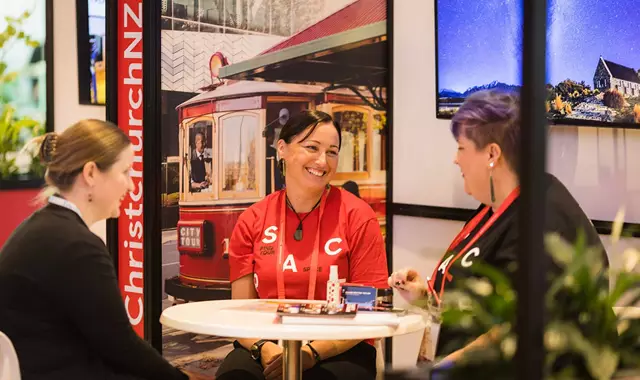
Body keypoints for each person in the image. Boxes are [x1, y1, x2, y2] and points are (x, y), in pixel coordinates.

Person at [388, 90, 607, 363]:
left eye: (461, 147)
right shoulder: (498, 205)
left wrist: (440, 371)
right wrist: (424, 296)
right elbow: (483, 302)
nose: (456, 159)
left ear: (492, 153)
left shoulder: (544, 222)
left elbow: (517, 331)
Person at [0, 120, 210, 380]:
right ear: (90, 173)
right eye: (125, 172)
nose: (132, 186)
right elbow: (121, 348)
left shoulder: (40, 230)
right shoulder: (76, 246)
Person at [216, 110, 389, 380]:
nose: (322, 161)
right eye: (312, 147)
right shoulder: (253, 219)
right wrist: (264, 347)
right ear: (282, 149)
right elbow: (242, 312)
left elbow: (368, 313)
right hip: (266, 343)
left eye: (332, 152)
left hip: (340, 345)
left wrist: (311, 353)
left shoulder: (358, 216)